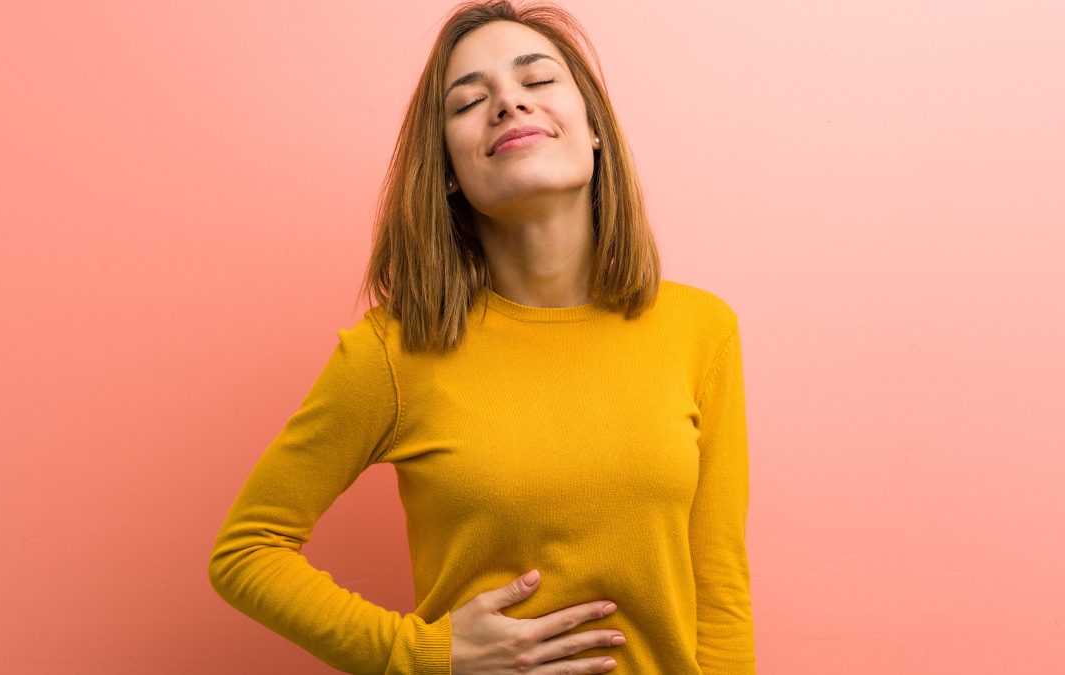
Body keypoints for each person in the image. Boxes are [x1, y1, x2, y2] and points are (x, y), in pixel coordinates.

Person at [207, 1, 756, 673]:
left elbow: (721, 592)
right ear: (445, 169)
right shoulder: (392, 350)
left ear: (594, 131)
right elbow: (244, 549)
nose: (507, 103)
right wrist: (421, 653)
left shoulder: (701, 329)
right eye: (469, 100)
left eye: (538, 80)